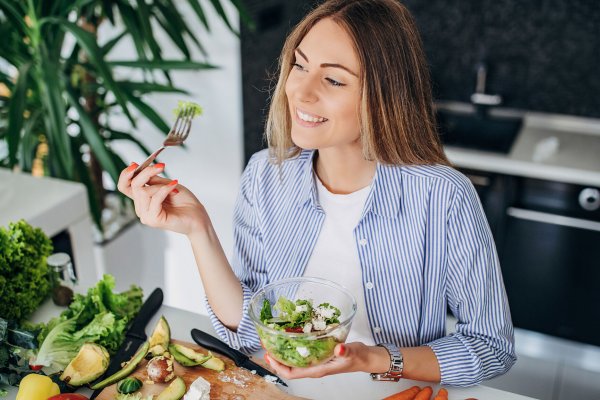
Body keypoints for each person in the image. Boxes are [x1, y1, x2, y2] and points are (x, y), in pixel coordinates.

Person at [118, 0, 516, 387]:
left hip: (393, 390)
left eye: (334, 79)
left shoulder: (443, 197)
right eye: (300, 65)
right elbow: (252, 331)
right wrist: (198, 228)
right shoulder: (264, 174)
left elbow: (490, 346)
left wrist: (370, 359)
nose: (301, 91)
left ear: (384, 96)